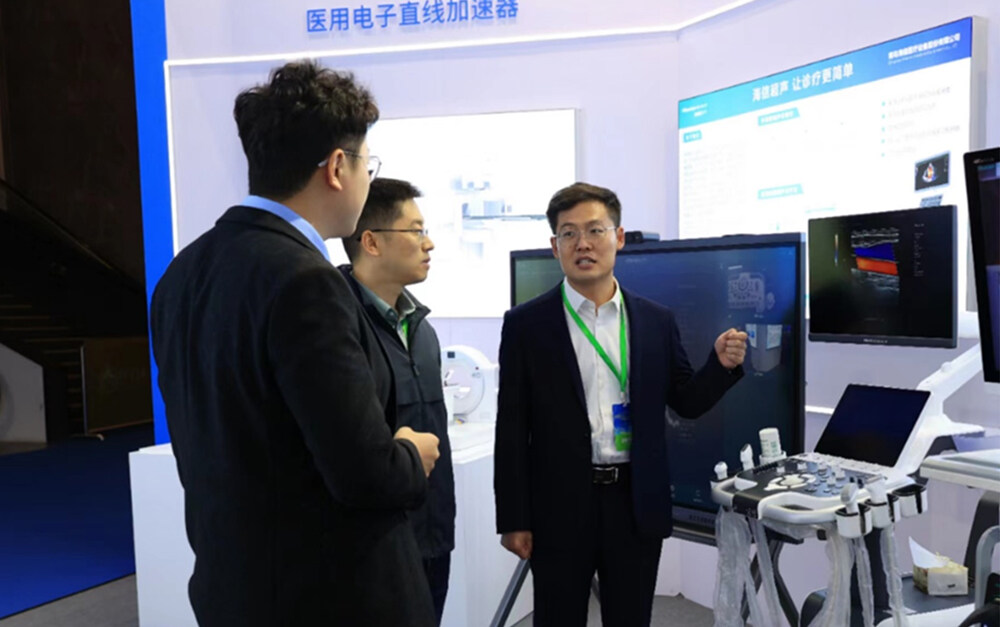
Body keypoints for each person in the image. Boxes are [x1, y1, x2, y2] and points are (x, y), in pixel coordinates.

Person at [150, 60, 440, 627]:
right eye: (366, 164)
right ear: (337, 167)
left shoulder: (183, 272)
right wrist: (410, 453)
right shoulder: (306, 280)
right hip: (329, 595)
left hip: (233, 587)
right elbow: (364, 473)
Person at [493, 182, 748, 627]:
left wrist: (720, 367)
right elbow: (511, 428)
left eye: (595, 230)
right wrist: (513, 518)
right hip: (558, 505)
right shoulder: (526, 325)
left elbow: (686, 401)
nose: (583, 243)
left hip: (634, 502)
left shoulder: (654, 320)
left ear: (619, 237)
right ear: (554, 246)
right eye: (569, 233)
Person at [339, 177, 456, 624]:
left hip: (432, 533)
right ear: (371, 242)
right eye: (415, 230)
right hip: (374, 543)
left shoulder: (421, 330)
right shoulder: (338, 327)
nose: (429, 243)